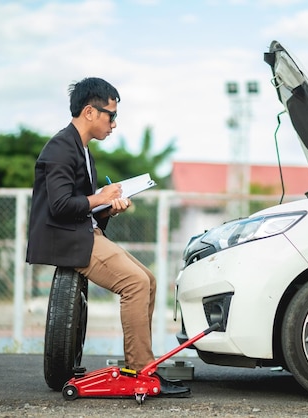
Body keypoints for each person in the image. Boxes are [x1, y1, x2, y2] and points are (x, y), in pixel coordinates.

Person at [26, 77, 189, 397]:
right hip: (67, 238)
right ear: (89, 112)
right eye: (110, 115)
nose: (114, 123)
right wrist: (100, 197)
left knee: (149, 280)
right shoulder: (60, 147)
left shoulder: (84, 151)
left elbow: (81, 207)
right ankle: (141, 371)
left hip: (83, 230)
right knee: (135, 283)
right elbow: (59, 206)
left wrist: (108, 208)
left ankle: (141, 365)